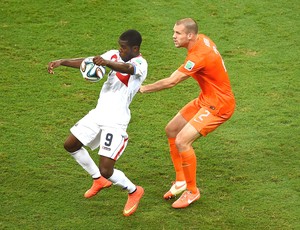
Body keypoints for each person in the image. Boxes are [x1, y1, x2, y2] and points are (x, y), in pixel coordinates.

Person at [47, 29, 148, 216]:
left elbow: (127, 69)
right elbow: (88, 62)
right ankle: (98, 180)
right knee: (70, 145)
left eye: (124, 48)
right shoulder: (113, 54)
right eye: (119, 46)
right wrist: (63, 62)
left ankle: (134, 191)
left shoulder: (140, 63)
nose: (120, 50)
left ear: (135, 48)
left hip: (116, 122)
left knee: (107, 169)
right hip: (98, 114)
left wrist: (108, 62)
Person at [139, 18, 235, 209]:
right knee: (172, 130)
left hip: (219, 105)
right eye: (174, 32)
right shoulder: (202, 40)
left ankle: (192, 191)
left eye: (178, 33)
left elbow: (172, 81)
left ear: (190, 35)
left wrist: (142, 89)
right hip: (206, 99)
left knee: (183, 141)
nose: (173, 36)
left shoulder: (198, 56)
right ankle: (181, 181)